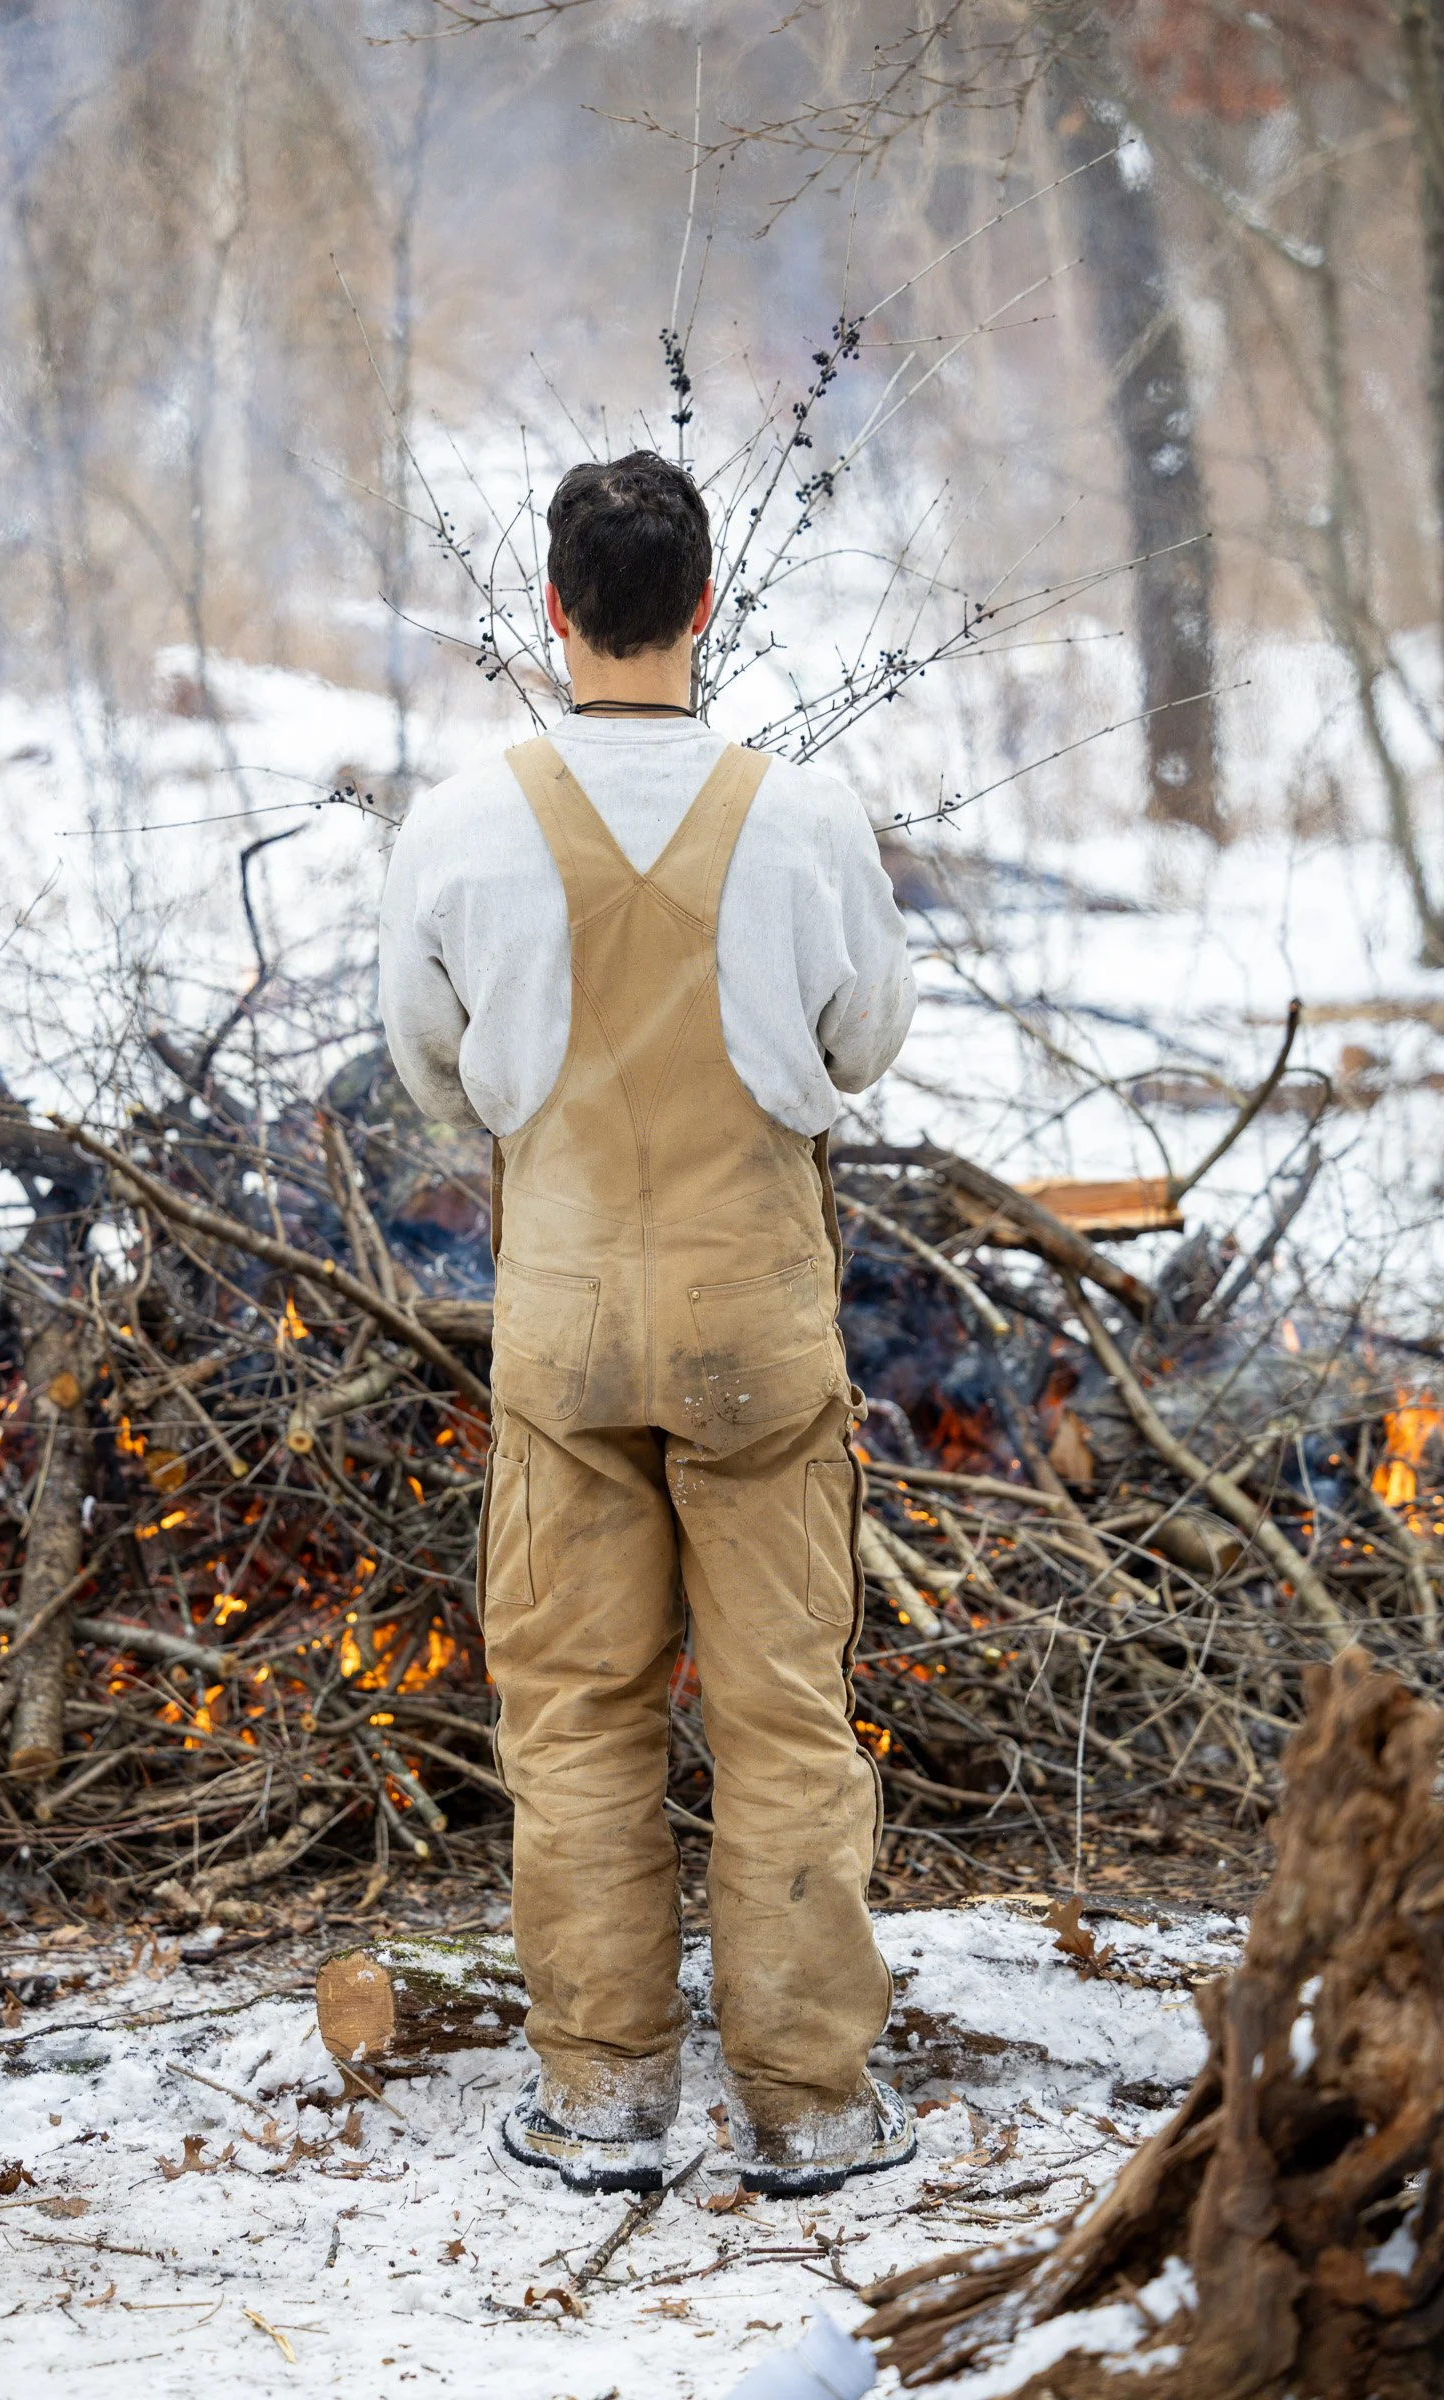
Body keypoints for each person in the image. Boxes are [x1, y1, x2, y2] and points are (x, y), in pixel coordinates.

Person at [378, 450, 917, 2199]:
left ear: (553, 610)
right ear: (704, 610)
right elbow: (863, 1048)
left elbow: (429, 1062)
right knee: (779, 1708)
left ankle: (605, 2095)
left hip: (563, 1323)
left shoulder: (457, 823)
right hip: (755, 1318)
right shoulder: (808, 818)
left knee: (579, 1713)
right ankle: (811, 2105)